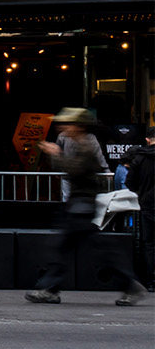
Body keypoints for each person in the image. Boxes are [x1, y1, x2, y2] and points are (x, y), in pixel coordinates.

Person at [26, 108, 146, 306]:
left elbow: (74, 170)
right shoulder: (77, 143)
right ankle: (50, 288)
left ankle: (129, 285)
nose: (64, 128)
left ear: (79, 126)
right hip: (78, 204)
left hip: (82, 205)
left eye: (68, 124)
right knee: (71, 247)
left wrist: (56, 154)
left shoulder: (87, 145)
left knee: (89, 249)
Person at [122, 126, 155, 287]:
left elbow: (129, 183)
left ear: (147, 140)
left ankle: (151, 281)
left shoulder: (140, 158)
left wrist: (141, 192)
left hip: (148, 205)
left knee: (149, 244)